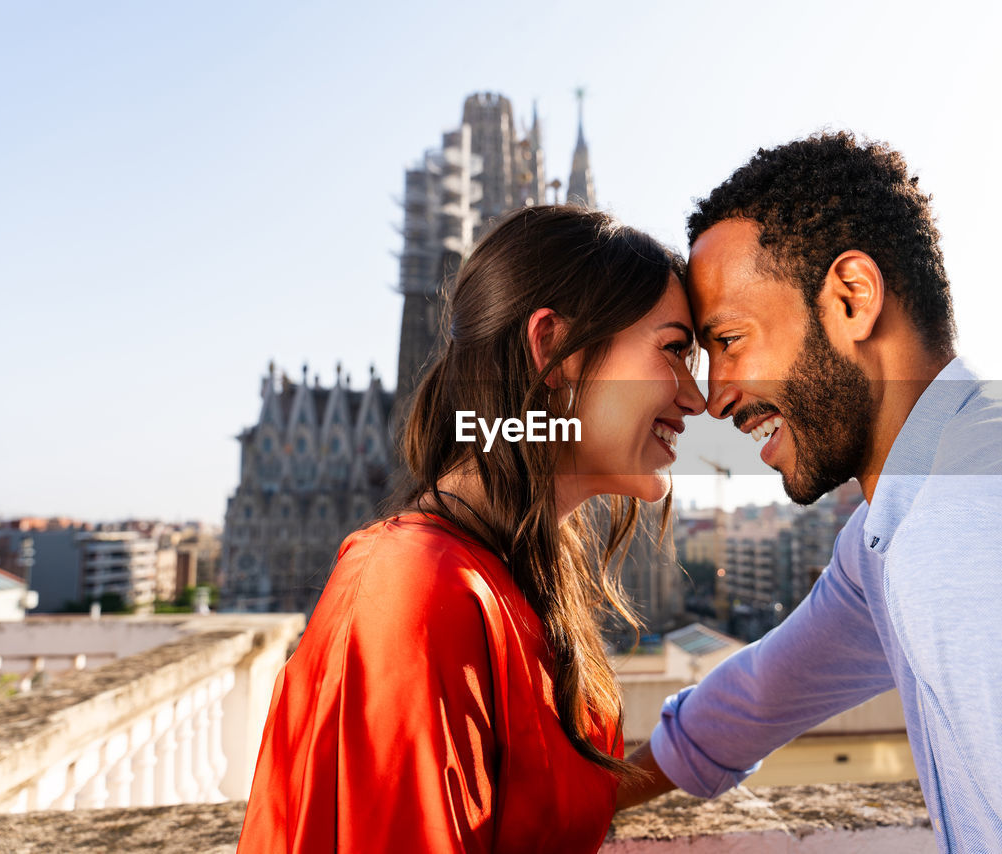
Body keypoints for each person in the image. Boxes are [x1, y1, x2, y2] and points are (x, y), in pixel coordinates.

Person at [618, 132, 1002, 851]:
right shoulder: (940, 495)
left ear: (852, 299)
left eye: (729, 340)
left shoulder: (977, 533)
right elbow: (763, 692)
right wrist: (579, 792)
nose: (713, 396)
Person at [236, 205, 706, 853]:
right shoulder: (418, 589)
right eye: (674, 350)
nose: (697, 396)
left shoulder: (511, 573)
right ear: (554, 350)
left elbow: (528, 803)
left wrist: (714, 734)